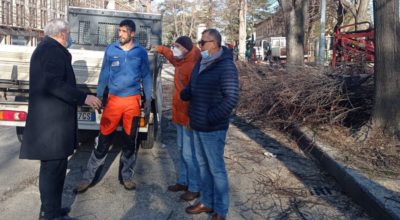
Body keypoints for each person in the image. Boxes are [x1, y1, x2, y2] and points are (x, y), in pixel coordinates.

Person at [19, 19, 102, 220]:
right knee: (52, 171)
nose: (70, 36)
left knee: (55, 169)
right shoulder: (51, 50)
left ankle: (52, 209)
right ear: (62, 33)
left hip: (51, 122)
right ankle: (49, 215)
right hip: (51, 124)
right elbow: (54, 84)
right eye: (69, 32)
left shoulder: (48, 48)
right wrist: (84, 97)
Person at [75, 20, 152, 193]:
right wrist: (100, 94)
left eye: (124, 31)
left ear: (132, 34)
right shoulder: (111, 49)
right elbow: (104, 73)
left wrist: (148, 99)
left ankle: (126, 177)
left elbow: (146, 76)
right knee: (102, 141)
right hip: (114, 101)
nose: (120, 34)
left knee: (129, 141)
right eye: (119, 31)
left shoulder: (140, 52)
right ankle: (88, 178)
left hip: (132, 102)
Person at [181, 29, 239, 220]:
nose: (199, 46)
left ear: (214, 44)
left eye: (202, 43)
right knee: (203, 166)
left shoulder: (226, 66)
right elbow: (193, 87)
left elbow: (231, 98)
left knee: (216, 169)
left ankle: (221, 211)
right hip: (197, 124)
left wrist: (210, 118)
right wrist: (187, 93)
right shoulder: (201, 63)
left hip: (212, 127)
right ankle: (207, 202)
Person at [150, 36, 201, 201]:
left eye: (177, 46)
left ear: (186, 48)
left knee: (189, 154)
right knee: (181, 151)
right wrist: (161, 49)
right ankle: (184, 181)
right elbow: (172, 56)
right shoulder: (181, 61)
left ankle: (194, 187)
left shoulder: (193, 65)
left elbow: (197, 95)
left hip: (188, 118)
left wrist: (193, 118)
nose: (175, 48)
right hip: (179, 116)